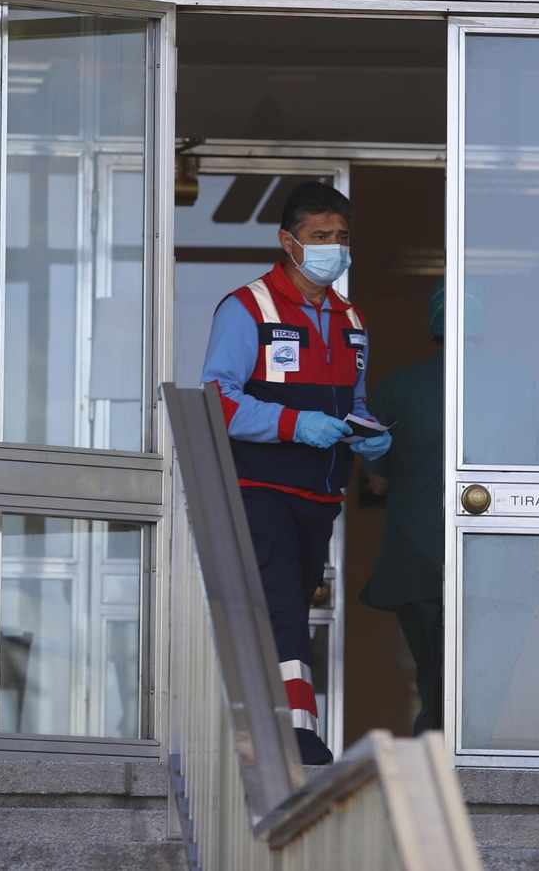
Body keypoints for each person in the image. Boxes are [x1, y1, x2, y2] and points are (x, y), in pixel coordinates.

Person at [201, 181, 391, 765]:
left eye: (342, 237)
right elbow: (217, 401)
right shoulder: (248, 307)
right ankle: (297, 737)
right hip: (260, 487)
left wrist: (368, 432)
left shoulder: (351, 317)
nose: (333, 247)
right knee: (283, 606)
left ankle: (261, 728)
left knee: (287, 610)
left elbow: (353, 401)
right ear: (289, 242)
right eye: (320, 236)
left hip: (320, 494)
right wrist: (294, 424)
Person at [358, 283, 451, 736]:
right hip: (499, 560)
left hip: (417, 557)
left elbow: (377, 482)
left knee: (434, 678)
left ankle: (433, 759)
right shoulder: (523, 383)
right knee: (480, 684)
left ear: (431, 327)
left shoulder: (397, 386)